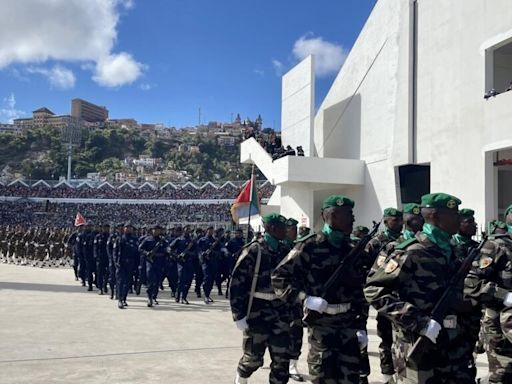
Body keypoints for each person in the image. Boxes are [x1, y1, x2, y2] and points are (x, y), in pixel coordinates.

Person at [365, 193, 475, 383]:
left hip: (456, 348)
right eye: (453, 214)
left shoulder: (454, 250)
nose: (458, 218)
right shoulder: (411, 251)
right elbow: (374, 290)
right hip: (419, 346)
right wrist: (419, 321)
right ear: (435, 216)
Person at [272, 195, 366, 384]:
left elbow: (360, 290)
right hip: (322, 328)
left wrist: (361, 326)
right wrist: (305, 299)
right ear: (331, 215)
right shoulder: (310, 246)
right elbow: (279, 277)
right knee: (323, 377)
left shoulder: (352, 248)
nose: (353, 219)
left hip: (348, 326)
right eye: (348, 214)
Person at [230, 213, 291, 384]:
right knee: (253, 358)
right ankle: (241, 379)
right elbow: (237, 284)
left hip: (281, 312)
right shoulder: (254, 250)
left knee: (281, 360)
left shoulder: (286, 251)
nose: (285, 231)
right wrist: (238, 315)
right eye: (281, 227)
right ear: (270, 228)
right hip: (257, 311)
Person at [465, 203, 512, 384]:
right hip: (499, 322)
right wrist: (504, 296)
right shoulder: (496, 246)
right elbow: (471, 282)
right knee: (503, 375)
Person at [366, 208, 403, 383]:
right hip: (385, 296)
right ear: (386, 221)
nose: (398, 223)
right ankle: (387, 374)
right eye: (394, 220)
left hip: (402, 299)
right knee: (386, 339)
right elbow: (369, 271)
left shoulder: (405, 241)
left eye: (400, 220)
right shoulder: (377, 242)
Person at [450, 208, 481, 381]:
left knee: (470, 352)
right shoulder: (452, 247)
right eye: (469, 221)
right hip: (455, 310)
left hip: (473, 309)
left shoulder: (478, 247)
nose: (474, 224)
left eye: (474, 221)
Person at [139, 224, 170, 307]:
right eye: (155, 229)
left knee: (157, 281)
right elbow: (140, 248)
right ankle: (149, 297)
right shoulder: (147, 239)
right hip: (150, 261)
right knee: (150, 279)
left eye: (158, 230)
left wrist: (168, 250)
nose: (156, 231)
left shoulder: (163, 241)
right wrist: (147, 253)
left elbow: (168, 249)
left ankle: (154, 297)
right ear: (152, 230)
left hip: (160, 262)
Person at [113, 222, 139, 309]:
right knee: (120, 281)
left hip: (131, 264)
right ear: (124, 229)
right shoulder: (120, 239)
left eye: (130, 227)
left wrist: (137, 265)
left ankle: (124, 298)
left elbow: (137, 254)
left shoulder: (135, 239)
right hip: (121, 263)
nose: (129, 229)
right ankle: (120, 299)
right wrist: (116, 262)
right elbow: (115, 252)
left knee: (128, 282)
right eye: (127, 227)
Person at [169, 225, 196, 304]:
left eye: (189, 230)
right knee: (181, 280)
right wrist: (177, 256)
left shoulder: (192, 241)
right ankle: (178, 295)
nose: (188, 231)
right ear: (183, 230)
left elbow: (196, 252)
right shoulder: (178, 240)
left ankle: (184, 296)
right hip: (181, 262)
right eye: (186, 229)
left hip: (189, 262)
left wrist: (189, 253)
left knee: (189, 281)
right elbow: (169, 249)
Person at [197, 226, 223, 303]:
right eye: (209, 230)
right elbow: (197, 249)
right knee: (207, 277)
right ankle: (205, 295)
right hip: (205, 262)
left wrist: (213, 253)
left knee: (211, 279)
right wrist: (202, 254)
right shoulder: (202, 240)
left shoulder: (215, 241)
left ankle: (208, 294)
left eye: (212, 231)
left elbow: (219, 251)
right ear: (207, 231)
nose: (210, 232)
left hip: (213, 261)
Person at [94, 223, 110, 295]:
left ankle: (105, 285)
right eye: (104, 228)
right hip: (100, 258)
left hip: (108, 258)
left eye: (107, 228)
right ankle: (100, 288)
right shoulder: (98, 237)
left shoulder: (110, 237)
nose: (106, 229)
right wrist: (96, 256)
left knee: (107, 273)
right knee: (100, 273)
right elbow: (95, 247)